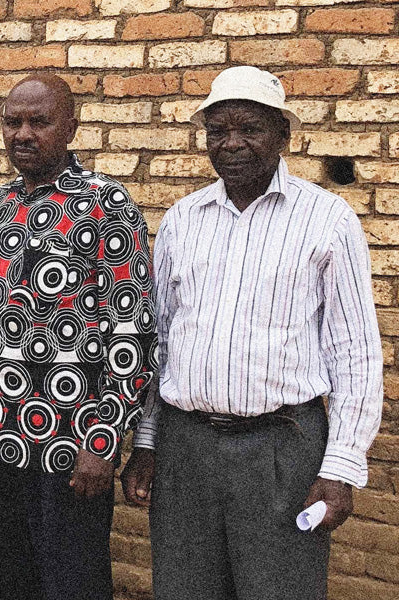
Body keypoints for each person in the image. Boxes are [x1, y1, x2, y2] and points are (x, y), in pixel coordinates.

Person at [121, 65, 383, 600]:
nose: (232, 144)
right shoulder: (182, 219)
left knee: (280, 589)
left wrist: (341, 466)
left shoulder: (327, 219)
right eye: (218, 130)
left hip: (282, 448)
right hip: (185, 446)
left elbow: (355, 354)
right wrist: (146, 441)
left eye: (250, 129)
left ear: (283, 135)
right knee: (184, 588)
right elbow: (162, 342)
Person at [0, 74, 157, 600]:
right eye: (12, 121)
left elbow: (133, 333)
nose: (23, 133)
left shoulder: (106, 204)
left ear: (70, 127)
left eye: (38, 122)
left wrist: (104, 441)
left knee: (69, 583)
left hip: (68, 446)